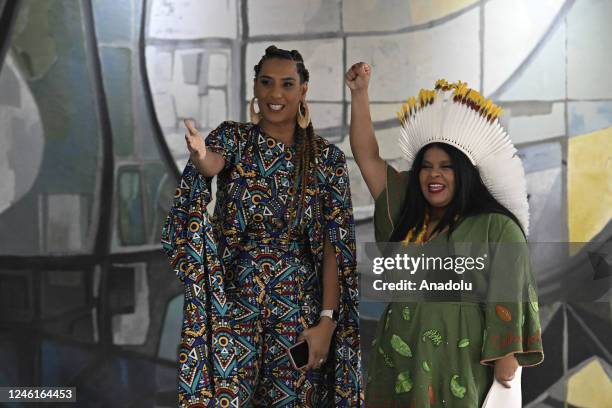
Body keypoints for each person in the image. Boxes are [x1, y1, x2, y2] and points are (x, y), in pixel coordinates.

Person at [162, 46, 363, 407]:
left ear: (303, 89)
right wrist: (199, 154)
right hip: (237, 302)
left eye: (287, 84)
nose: (275, 93)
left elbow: (336, 245)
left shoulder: (327, 159)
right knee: (227, 397)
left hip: (299, 306)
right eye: (266, 82)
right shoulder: (233, 138)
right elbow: (212, 164)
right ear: (254, 86)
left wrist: (327, 322)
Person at [345, 63, 544, 407]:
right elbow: (368, 156)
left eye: (445, 166)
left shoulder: (496, 227)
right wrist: (359, 94)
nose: (433, 174)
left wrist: (506, 358)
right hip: (398, 359)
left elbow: (511, 298)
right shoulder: (405, 216)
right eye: (426, 166)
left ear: (464, 173)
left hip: (461, 366)